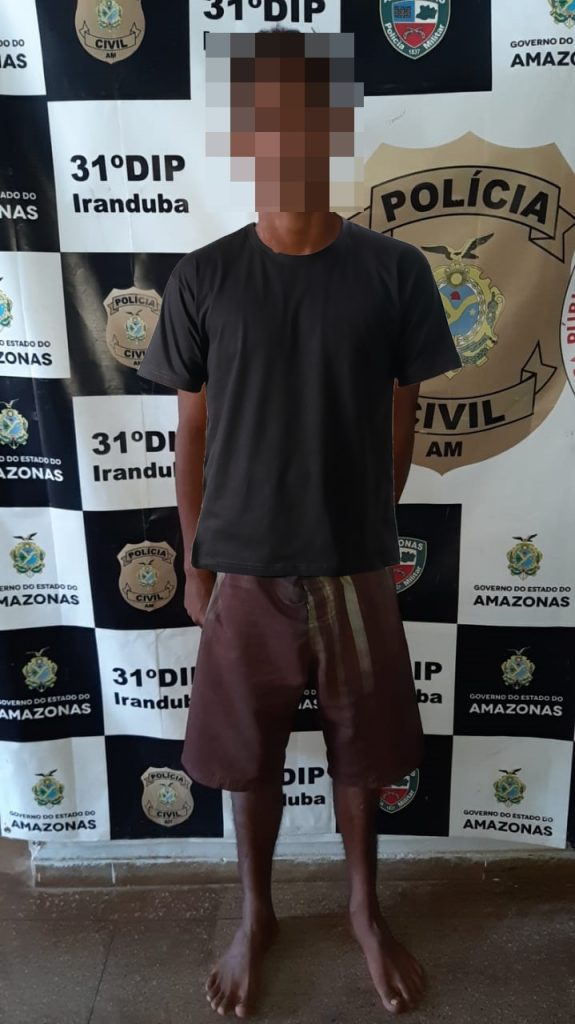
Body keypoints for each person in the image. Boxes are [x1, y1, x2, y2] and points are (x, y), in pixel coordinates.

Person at [138, 26, 461, 1018]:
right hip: (241, 569)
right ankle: (255, 913)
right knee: (247, 759)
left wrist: (366, 519)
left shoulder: (393, 270)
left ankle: (364, 907)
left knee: (364, 754)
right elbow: (191, 431)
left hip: (354, 564)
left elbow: (404, 410)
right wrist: (196, 558)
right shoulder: (202, 277)